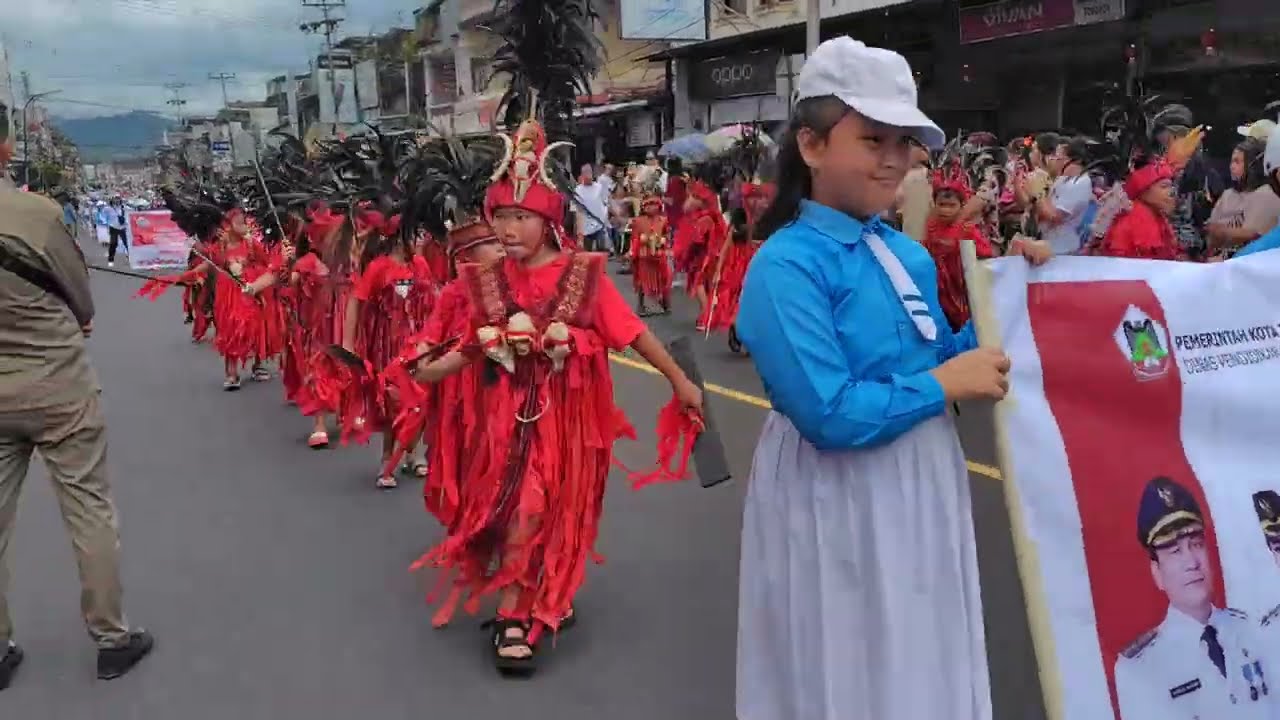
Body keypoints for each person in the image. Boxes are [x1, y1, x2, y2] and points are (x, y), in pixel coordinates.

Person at [733, 37, 1042, 720]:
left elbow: (940, 357)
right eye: (873, 139)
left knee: (923, 643)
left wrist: (1017, 286)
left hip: (922, 474)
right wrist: (946, 385)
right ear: (812, 147)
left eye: (903, 142)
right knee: (846, 659)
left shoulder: (904, 252)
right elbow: (830, 414)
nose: (895, 159)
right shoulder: (785, 268)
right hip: (836, 493)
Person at [414, 116, 703, 676]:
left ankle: (515, 613)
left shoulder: (584, 276)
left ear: (548, 220)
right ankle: (531, 598)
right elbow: (461, 349)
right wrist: (435, 366)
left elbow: (633, 333)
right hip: (500, 419)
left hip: (564, 423)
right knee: (510, 510)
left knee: (540, 508)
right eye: (500, 216)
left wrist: (679, 380)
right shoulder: (485, 280)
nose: (508, 228)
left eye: (521, 216)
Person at [0, 136, 153, 690]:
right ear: (6, 147)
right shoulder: (37, 214)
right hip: (58, 387)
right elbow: (81, 299)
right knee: (88, 510)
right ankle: (112, 641)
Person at [1113, 477, 1274, 719]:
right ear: (1157, 573)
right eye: (1176, 551)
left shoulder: (1254, 631)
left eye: (1197, 545)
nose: (1191, 562)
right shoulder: (1140, 669)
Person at [1206, 138, 1280, 257]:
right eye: (1231, 162)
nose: (1231, 167)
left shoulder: (1266, 195)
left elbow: (1253, 237)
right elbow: (1211, 235)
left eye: (1237, 162)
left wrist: (1224, 233)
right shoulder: (1228, 195)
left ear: (1252, 164)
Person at [1027, 136, 1094, 255]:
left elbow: (1055, 217)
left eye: (1058, 158)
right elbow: (1044, 209)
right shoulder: (1062, 179)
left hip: (1062, 248)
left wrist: (1037, 194)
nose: (1054, 161)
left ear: (1075, 160)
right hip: (1047, 242)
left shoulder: (1080, 183)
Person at [573, 164, 611, 253]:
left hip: (600, 226)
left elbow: (606, 205)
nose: (588, 175)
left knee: (602, 252)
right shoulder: (578, 191)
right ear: (582, 175)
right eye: (586, 173)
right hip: (585, 228)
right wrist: (580, 236)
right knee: (587, 255)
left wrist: (606, 222)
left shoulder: (599, 187)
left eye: (589, 172)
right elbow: (578, 213)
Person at [105, 197, 127, 266]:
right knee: (113, 244)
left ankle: (131, 258)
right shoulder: (108, 209)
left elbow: (128, 217)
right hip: (113, 228)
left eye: (118, 199)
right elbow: (104, 217)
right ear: (113, 201)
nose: (117, 201)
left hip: (122, 228)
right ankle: (110, 260)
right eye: (115, 199)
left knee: (127, 244)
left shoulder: (124, 208)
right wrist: (107, 226)